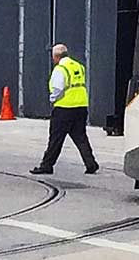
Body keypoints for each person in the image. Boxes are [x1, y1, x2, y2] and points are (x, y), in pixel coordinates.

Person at [31, 42, 99, 177]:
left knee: (56, 139)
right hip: (80, 107)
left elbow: (58, 88)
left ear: (56, 57)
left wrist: (52, 99)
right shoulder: (79, 66)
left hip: (64, 108)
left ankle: (46, 166)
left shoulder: (60, 69)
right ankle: (91, 164)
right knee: (81, 137)